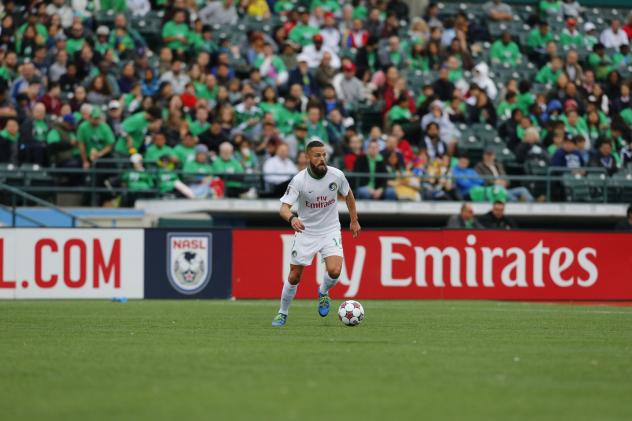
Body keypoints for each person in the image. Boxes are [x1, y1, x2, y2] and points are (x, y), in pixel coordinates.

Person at [271, 139, 360, 327]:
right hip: (306, 232)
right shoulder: (299, 180)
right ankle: (282, 313)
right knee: (294, 276)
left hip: (330, 230)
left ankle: (323, 292)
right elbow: (283, 208)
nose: (322, 159)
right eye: (317, 155)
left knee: (335, 271)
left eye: (324, 155)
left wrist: (353, 220)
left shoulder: (336, 175)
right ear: (307, 157)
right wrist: (292, 219)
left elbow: (349, 195)